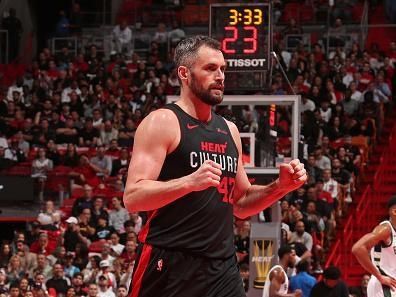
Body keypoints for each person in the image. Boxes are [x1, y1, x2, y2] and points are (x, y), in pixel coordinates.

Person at [123, 36, 307, 297]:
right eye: (210, 68)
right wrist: (189, 182)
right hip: (170, 261)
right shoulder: (162, 122)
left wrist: (280, 187)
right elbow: (132, 197)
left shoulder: (229, 130)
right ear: (184, 74)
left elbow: (241, 203)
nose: (220, 76)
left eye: (222, 69)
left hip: (221, 266)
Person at [352, 196, 396, 296]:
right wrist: (379, 276)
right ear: (394, 212)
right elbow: (358, 249)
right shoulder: (385, 229)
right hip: (383, 286)